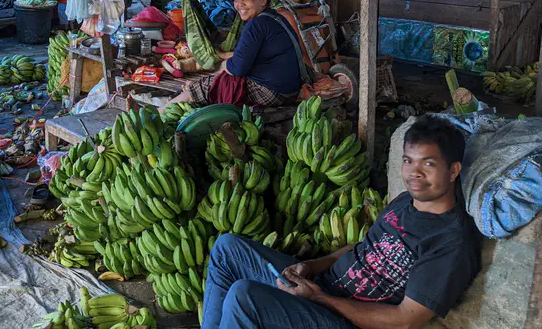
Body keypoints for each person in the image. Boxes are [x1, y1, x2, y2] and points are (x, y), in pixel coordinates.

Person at [202, 115, 481, 329]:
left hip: (344, 319)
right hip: (323, 289)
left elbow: (405, 320)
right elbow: (360, 248)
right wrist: (310, 266)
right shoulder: (406, 202)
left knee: (245, 296)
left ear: (453, 170)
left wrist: (320, 298)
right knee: (228, 249)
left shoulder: (450, 242)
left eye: (428, 164)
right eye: (409, 161)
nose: (414, 173)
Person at [169, 0, 302, 107]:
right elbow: (245, 58)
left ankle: (160, 114)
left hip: (272, 92)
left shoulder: (256, 25)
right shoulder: (276, 18)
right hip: (290, 89)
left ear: (263, 0)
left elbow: (237, 69)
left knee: (200, 90)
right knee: (215, 79)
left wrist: (222, 68)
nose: (240, 4)